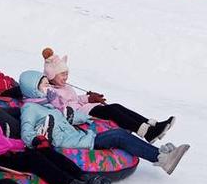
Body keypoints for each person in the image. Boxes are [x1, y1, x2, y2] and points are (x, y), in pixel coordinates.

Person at [19, 70, 191, 176]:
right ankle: (161, 158)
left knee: (117, 125)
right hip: (69, 142)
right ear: (32, 88)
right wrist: (37, 140)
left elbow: (66, 116)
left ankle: (159, 152)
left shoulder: (47, 104)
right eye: (43, 84)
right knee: (119, 136)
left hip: (78, 135)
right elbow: (26, 132)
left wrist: (85, 118)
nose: (48, 86)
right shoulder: (30, 108)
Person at [42, 48, 174, 143]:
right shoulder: (52, 92)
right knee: (112, 111)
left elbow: (75, 99)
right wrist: (84, 102)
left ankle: (152, 126)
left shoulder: (65, 87)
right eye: (62, 74)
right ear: (52, 75)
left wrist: (88, 98)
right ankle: (147, 132)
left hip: (86, 107)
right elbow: (63, 107)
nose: (66, 77)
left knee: (117, 106)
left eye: (66, 73)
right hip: (81, 113)